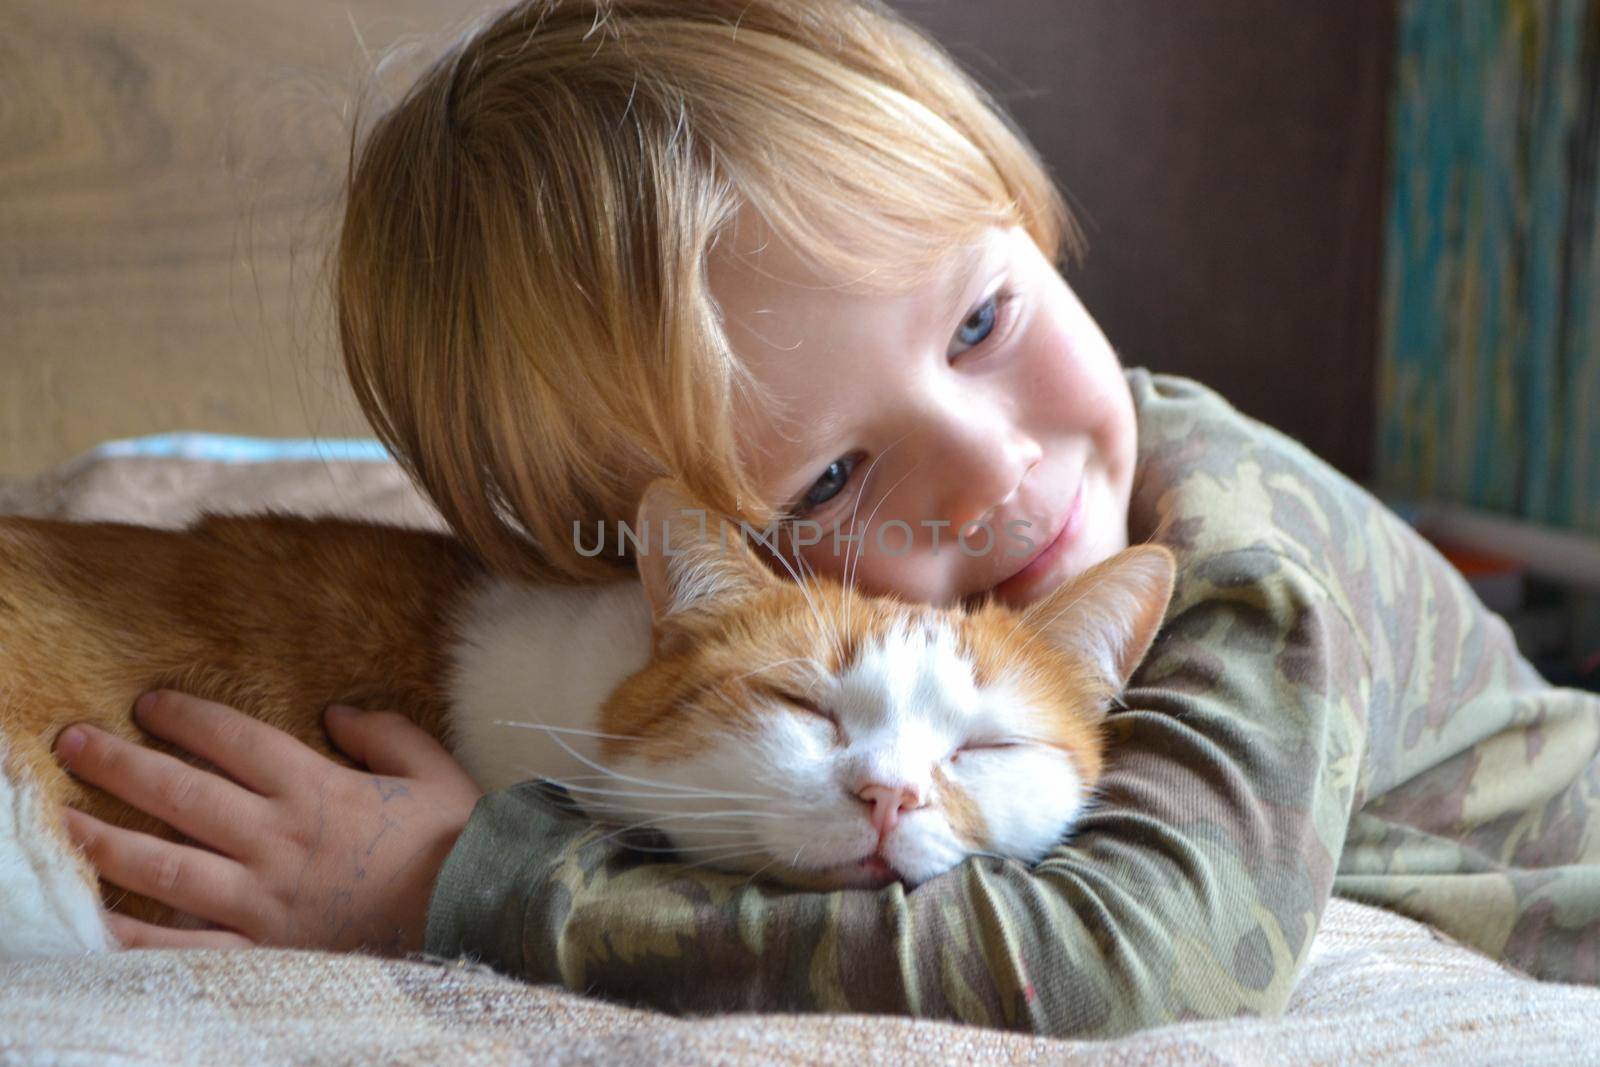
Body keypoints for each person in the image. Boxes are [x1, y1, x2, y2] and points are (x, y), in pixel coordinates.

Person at [50, 0, 1600, 1038]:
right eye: (829, 482)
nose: (990, 469)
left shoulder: (1248, 564)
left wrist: (478, 887)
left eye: (982, 322)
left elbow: (1143, 952)